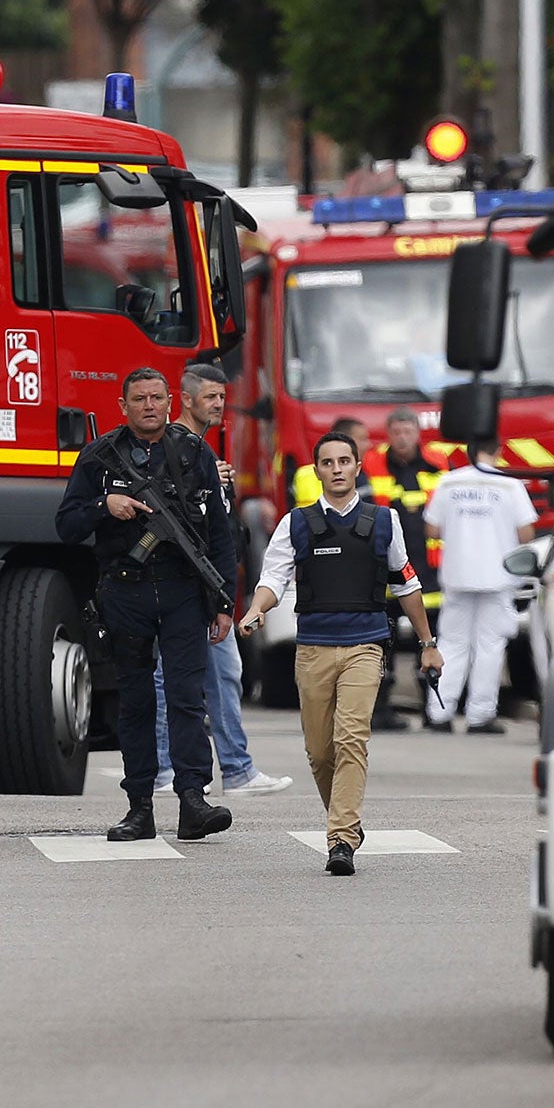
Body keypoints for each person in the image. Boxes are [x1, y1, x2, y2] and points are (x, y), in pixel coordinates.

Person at [238, 431, 443, 877]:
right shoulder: (295, 523)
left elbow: (407, 585)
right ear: (317, 470)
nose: (336, 469)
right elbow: (272, 579)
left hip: (364, 647)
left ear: (356, 467)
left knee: (351, 739)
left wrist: (428, 645)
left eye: (344, 461)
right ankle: (345, 818)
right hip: (312, 650)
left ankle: (341, 838)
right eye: (327, 463)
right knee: (319, 752)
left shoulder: (383, 522)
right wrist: (256, 610)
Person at [57, 368, 238, 843]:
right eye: (139, 399)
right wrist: (105, 505)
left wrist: (224, 602)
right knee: (135, 702)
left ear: (171, 401)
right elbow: (66, 524)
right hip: (125, 590)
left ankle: (193, 800)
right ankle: (139, 807)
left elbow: (219, 534)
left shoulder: (195, 452)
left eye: (157, 397)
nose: (149, 406)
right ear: (123, 405)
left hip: (182, 591)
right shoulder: (100, 456)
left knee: (185, 698)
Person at [150, 363, 290, 797]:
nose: (218, 405)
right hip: (175, 587)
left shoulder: (204, 452)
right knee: (166, 677)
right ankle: (165, 770)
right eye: (210, 397)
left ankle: (236, 770)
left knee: (224, 672)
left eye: (221, 398)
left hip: (207, 587)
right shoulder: (170, 447)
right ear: (186, 399)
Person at [423, 444, 537, 734]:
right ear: (497, 450)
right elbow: (527, 532)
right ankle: (480, 715)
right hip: (497, 576)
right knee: (490, 646)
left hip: (458, 575)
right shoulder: (509, 485)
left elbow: (432, 529)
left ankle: (439, 712)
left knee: (451, 644)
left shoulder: (450, 482)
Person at [367, 409, 449, 731]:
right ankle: (381, 711)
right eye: (396, 431)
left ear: (418, 433)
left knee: (429, 644)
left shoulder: (439, 463)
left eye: (408, 431)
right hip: (385, 572)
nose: (402, 437)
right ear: (388, 434)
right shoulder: (372, 463)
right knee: (380, 647)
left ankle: (435, 711)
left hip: (429, 572)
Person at [290, 416, 371, 508]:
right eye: (362, 439)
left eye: (344, 462)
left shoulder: (364, 472)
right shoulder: (304, 476)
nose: (368, 445)